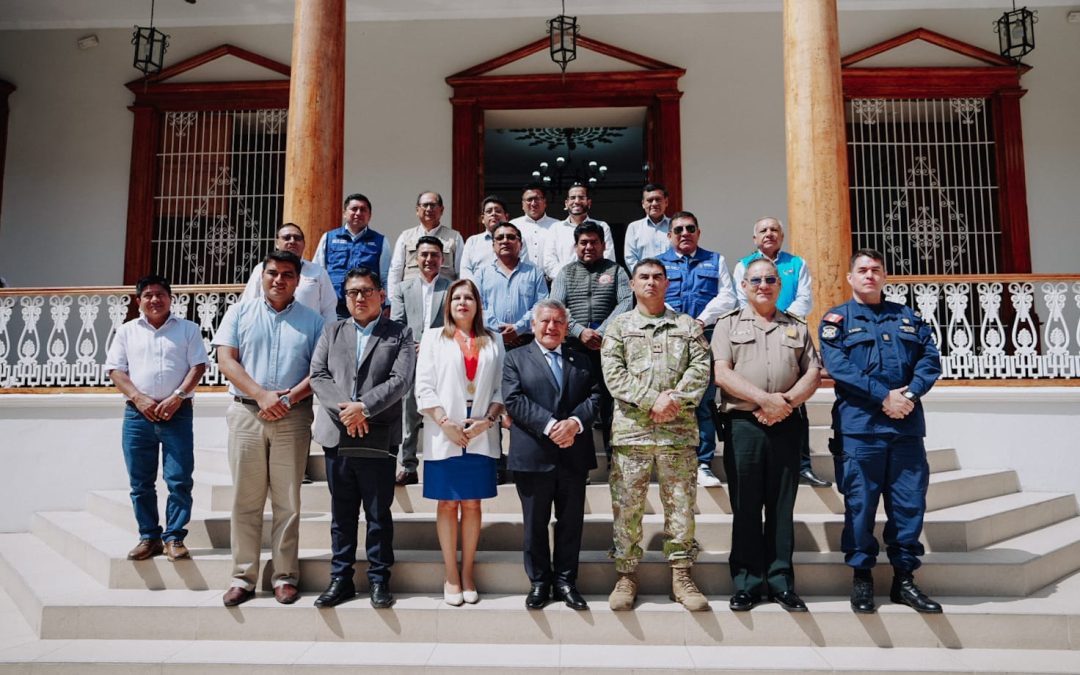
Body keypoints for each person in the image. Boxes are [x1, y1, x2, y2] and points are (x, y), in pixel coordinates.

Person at [820, 248, 943, 615]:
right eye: (862, 270)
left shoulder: (907, 316)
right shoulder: (836, 320)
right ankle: (862, 578)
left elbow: (929, 359)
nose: (870, 275)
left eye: (876, 270)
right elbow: (838, 366)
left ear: (884, 276)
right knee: (860, 507)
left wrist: (908, 394)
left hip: (905, 427)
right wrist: (883, 396)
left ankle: (904, 580)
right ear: (850, 278)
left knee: (909, 506)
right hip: (860, 430)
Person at [212, 250, 325, 607]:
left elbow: (319, 370)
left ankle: (284, 576)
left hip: (293, 418)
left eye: (287, 275)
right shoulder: (239, 312)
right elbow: (226, 359)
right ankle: (242, 577)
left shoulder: (313, 321)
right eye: (273, 273)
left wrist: (287, 399)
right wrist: (261, 396)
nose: (279, 280)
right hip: (247, 415)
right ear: (262, 276)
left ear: (297, 280)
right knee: (245, 500)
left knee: (287, 501)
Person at [600, 258, 711, 612]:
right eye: (643, 277)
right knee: (627, 508)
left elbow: (700, 369)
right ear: (632, 284)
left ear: (667, 284)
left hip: (677, 433)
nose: (650, 282)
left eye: (657, 277)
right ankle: (626, 574)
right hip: (632, 433)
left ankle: (681, 575)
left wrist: (672, 401)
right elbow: (613, 375)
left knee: (680, 506)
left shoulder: (686, 326)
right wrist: (652, 400)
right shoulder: (618, 327)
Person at [713, 258, 821, 612]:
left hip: (787, 423)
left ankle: (780, 583)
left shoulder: (796, 326)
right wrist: (763, 400)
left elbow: (813, 373)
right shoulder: (727, 325)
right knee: (745, 506)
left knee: (780, 507)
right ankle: (746, 583)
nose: (763, 284)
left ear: (779, 285)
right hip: (744, 425)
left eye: (770, 279)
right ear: (743, 286)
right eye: (755, 279)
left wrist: (785, 403)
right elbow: (721, 373)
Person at [309, 267, 416, 609]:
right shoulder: (332, 331)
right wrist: (346, 411)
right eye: (353, 292)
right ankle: (340, 578)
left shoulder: (398, 333)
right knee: (342, 514)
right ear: (345, 296)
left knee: (377, 513)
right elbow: (318, 375)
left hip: (379, 435)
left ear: (381, 295)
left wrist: (363, 407)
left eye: (367, 291)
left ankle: (379, 579)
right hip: (337, 434)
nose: (359, 297)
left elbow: (401, 381)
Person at [414, 278, 506, 606]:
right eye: (457, 298)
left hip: (480, 433)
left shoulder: (493, 340)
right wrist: (444, 421)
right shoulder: (433, 338)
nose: (463, 302)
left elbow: (500, 388)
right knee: (448, 503)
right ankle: (450, 573)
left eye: (469, 297)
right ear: (448, 304)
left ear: (478, 304)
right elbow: (423, 386)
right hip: (445, 432)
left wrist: (489, 420)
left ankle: (468, 572)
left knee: (472, 503)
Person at [503, 299, 600, 611]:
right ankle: (540, 582)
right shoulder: (515, 358)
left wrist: (573, 423)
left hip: (573, 454)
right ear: (533, 325)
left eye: (558, 321)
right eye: (545, 321)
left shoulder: (582, 358)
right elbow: (513, 399)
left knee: (571, 522)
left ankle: (566, 581)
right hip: (533, 454)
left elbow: (597, 395)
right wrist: (551, 426)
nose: (551, 327)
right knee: (535, 523)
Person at [105, 274, 208, 563]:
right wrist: (139, 398)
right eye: (148, 295)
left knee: (178, 479)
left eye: (160, 294)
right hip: (138, 416)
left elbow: (198, 366)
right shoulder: (127, 331)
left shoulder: (188, 329)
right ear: (139, 300)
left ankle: (174, 537)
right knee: (140, 482)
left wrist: (178, 397)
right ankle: (148, 536)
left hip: (177, 414)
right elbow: (115, 370)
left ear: (170, 298)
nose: (154, 299)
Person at [731, 216, 828, 487]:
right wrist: (763, 319)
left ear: (782, 236)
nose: (769, 233)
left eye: (774, 229)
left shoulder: (796, 264)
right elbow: (742, 300)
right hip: (753, 333)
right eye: (763, 230)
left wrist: (780, 318)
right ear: (754, 238)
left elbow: (805, 298)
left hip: (789, 334)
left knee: (798, 401)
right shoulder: (743, 265)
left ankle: (804, 465)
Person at [656, 211, 737, 488]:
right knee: (671, 398)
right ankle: (675, 460)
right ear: (670, 236)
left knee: (702, 401)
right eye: (678, 229)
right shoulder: (659, 263)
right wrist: (678, 321)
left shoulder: (715, 260)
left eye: (690, 228)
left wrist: (702, 319)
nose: (684, 233)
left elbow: (728, 295)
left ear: (698, 232)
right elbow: (652, 294)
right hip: (670, 339)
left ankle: (703, 462)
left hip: (706, 337)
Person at [549, 222, 632, 457]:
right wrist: (578, 331)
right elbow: (557, 305)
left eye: (594, 242)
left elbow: (626, 302)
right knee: (574, 402)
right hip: (573, 349)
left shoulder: (616, 271)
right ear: (575, 246)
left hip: (609, 349)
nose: (588, 246)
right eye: (583, 242)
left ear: (603, 245)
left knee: (609, 403)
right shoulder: (566, 272)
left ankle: (613, 457)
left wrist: (602, 332)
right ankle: (577, 459)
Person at [389, 236, 449, 486]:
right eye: (424, 254)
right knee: (409, 413)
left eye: (434, 255)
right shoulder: (403, 289)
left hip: (444, 357)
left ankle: (443, 463)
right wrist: (410, 347)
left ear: (442, 259)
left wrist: (431, 345)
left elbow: (454, 323)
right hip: (411, 357)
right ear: (416, 258)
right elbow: (397, 324)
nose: (428, 259)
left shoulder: (452, 287)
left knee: (443, 411)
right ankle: (409, 465)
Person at [312, 194, 392, 319]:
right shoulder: (329, 238)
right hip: (335, 308)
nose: (358, 213)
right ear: (344, 213)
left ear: (369, 215)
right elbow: (318, 272)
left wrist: (388, 303)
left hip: (367, 307)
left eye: (363, 210)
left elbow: (386, 276)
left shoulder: (380, 241)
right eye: (354, 209)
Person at [471, 222, 548, 349]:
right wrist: (500, 330)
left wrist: (518, 328)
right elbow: (477, 306)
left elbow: (541, 306)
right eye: (500, 238)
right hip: (490, 341)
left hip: (526, 343)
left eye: (511, 237)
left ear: (521, 245)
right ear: (493, 245)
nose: (505, 241)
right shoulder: (481, 274)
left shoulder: (535, 273)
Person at [243, 223, 337, 324]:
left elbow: (328, 309)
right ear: (277, 243)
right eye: (287, 238)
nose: (292, 241)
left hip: (309, 335)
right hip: (268, 331)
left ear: (304, 243)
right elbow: (249, 302)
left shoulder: (318, 272)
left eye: (297, 238)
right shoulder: (261, 269)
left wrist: (329, 337)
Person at [387, 191, 464, 299]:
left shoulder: (455, 238)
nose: (429, 209)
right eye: (425, 205)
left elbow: (461, 272)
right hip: (411, 297)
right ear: (417, 210)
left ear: (441, 210)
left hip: (443, 298)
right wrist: (392, 300)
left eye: (433, 205)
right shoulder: (405, 237)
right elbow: (395, 271)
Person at [542, 184, 616, 280]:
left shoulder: (602, 226)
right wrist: (568, 279)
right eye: (572, 198)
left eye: (581, 197)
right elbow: (549, 262)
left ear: (589, 203)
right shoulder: (555, 228)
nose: (576, 201)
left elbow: (608, 258)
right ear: (566, 203)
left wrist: (590, 280)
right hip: (563, 285)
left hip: (595, 285)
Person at [461, 196, 530, 280]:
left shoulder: (517, 240)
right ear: (482, 218)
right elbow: (465, 270)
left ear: (506, 217)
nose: (493, 214)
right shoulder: (472, 242)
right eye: (489, 211)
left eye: (498, 211)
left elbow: (524, 268)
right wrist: (475, 290)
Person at [510, 183, 559, 272]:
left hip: (550, 280)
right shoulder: (513, 226)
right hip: (521, 278)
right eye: (529, 199)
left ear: (545, 202)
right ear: (523, 204)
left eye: (537, 199)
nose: (533, 203)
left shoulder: (557, 226)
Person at [623, 183, 671, 270]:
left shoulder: (675, 226)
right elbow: (630, 258)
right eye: (650, 200)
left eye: (658, 199)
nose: (654, 203)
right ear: (643, 204)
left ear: (666, 202)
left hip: (672, 280)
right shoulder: (634, 227)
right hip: (644, 280)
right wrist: (643, 276)